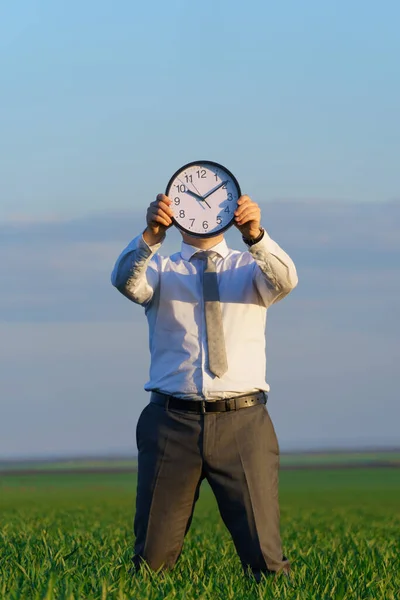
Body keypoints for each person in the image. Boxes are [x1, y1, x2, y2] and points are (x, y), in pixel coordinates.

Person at [111, 192, 298, 581]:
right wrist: (150, 235)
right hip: (170, 423)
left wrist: (256, 235)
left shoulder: (251, 267)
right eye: (191, 201)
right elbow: (126, 282)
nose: (202, 211)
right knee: (151, 565)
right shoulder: (161, 269)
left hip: (243, 422)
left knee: (266, 562)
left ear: (229, 212)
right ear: (176, 214)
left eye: (212, 201)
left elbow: (286, 280)